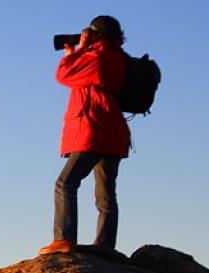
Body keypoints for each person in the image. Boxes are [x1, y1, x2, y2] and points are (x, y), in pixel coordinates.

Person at [40, 15, 129, 255]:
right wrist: (79, 50)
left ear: (95, 35)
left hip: (93, 130)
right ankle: (105, 247)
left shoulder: (99, 57)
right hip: (113, 133)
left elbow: (64, 75)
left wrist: (76, 51)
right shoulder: (118, 57)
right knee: (105, 193)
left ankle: (64, 239)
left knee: (65, 183)